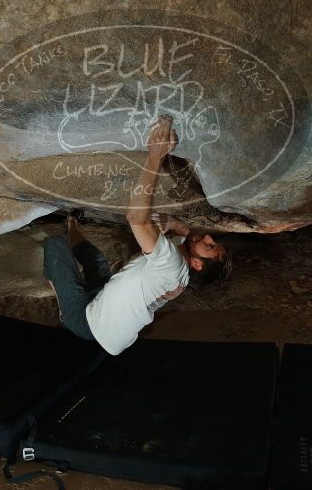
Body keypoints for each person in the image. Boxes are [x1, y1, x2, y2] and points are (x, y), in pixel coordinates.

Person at [42, 114, 232, 355]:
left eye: (211, 247)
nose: (209, 238)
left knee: (56, 246)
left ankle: (62, 308)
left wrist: (155, 155)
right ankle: (71, 222)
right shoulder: (181, 274)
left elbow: (136, 218)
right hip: (106, 308)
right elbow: (188, 234)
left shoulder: (172, 264)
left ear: (196, 263)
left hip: (87, 321)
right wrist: (174, 223)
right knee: (94, 259)